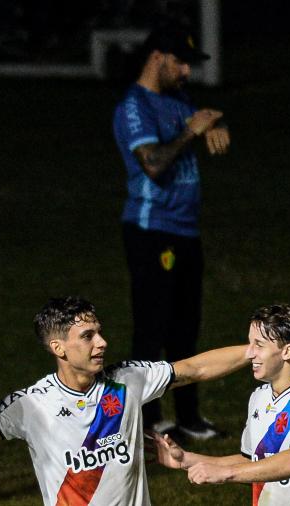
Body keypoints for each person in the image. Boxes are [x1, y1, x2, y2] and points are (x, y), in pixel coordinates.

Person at [0, 296, 249, 505]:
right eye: (87, 336)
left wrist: (256, 350)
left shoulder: (127, 380)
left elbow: (195, 369)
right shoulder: (31, 405)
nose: (102, 342)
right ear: (58, 348)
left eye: (99, 332)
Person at [112, 23, 231, 440]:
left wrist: (212, 128)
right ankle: (146, 420)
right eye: (180, 63)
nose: (186, 72)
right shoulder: (133, 106)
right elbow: (154, 164)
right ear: (157, 58)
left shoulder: (178, 98)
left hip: (185, 230)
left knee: (186, 327)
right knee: (152, 327)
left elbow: (196, 125)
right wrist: (189, 132)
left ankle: (189, 417)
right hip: (151, 230)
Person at [151, 304, 290, 505]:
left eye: (259, 345)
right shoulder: (259, 397)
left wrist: (226, 473)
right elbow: (253, 462)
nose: (249, 353)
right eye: (249, 344)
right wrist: (186, 459)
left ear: (288, 351)